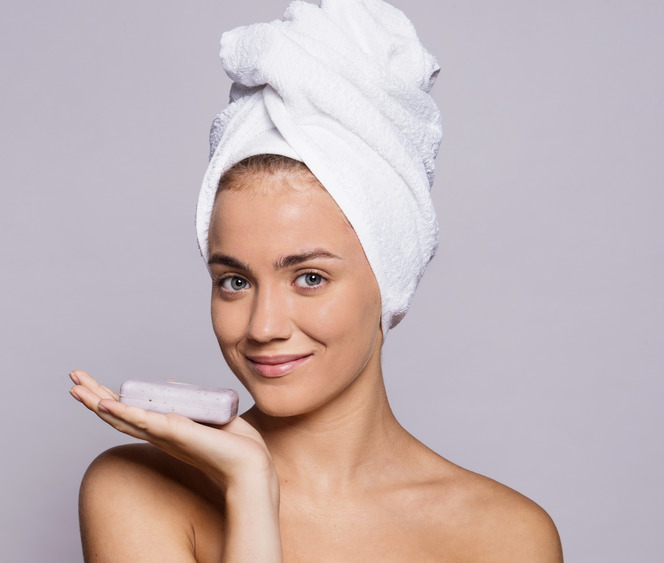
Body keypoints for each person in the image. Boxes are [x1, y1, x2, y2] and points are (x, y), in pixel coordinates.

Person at [69, 1, 562, 561]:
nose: (263, 327)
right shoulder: (137, 489)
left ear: (389, 279)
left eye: (308, 277)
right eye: (234, 282)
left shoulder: (505, 536)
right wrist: (251, 486)